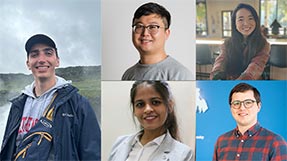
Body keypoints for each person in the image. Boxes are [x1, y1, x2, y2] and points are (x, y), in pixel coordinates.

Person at [0, 34, 101, 161]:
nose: (41, 59)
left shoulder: (78, 104)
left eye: (48, 53)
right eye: (34, 54)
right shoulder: (18, 105)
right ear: (28, 63)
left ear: (57, 61)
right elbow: (8, 149)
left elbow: (92, 154)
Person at [109, 81, 193, 161]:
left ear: (170, 106)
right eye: (140, 104)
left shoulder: (183, 154)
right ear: (134, 110)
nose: (147, 109)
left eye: (155, 102)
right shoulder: (119, 143)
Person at [213, 83, 287, 161]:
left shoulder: (275, 142)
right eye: (236, 103)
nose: (242, 108)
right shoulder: (221, 141)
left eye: (248, 102)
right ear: (231, 108)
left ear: (258, 106)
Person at [122, 2, 194, 80]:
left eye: (153, 27)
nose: (145, 33)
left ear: (166, 33)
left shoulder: (180, 75)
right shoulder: (128, 75)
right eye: (139, 26)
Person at [210, 3, 270, 80]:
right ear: (234, 23)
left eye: (250, 18)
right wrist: (216, 73)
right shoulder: (227, 43)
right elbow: (221, 60)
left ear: (256, 21)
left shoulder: (263, 44)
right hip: (229, 82)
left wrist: (240, 82)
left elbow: (256, 66)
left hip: (251, 84)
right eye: (241, 19)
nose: (246, 23)